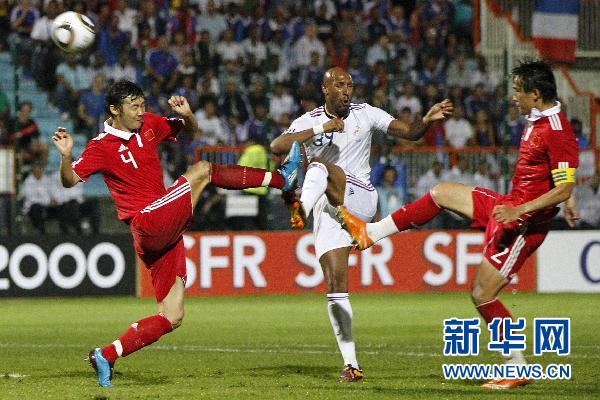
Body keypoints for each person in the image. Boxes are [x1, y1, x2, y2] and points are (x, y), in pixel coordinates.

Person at [337, 60, 580, 389]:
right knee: (441, 193)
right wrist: (567, 202)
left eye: (517, 92)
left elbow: (563, 187)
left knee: (482, 294)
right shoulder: (535, 117)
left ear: (536, 94)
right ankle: (371, 234)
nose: (513, 98)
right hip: (508, 207)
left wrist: (531, 207)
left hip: (522, 224)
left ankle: (517, 366)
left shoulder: (557, 129)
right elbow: (561, 180)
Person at [52, 80, 301, 388]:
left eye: (143, 105)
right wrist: (65, 156)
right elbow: (69, 180)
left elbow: (189, 131)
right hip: (146, 221)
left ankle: (106, 354)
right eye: (134, 107)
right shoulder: (100, 147)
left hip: (160, 233)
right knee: (202, 170)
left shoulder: (148, 125)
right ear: (114, 110)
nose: (142, 112)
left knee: (172, 315)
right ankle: (281, 179)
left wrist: (189, 115)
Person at [270, 67, 452, 382]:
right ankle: (352, 365)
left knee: (320, 167)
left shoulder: (365, 113)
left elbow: (408, 132)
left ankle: (300, 206)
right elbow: (277, 146)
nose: (346, 91)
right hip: (328, 210)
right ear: (325, 89)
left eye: (350, 85)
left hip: (361, 196)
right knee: (335, 285)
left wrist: (427, 118)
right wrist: (321, 129)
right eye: (339, 85)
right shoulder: (308, 121)